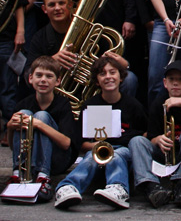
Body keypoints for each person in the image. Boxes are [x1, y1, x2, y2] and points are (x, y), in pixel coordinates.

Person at [53, 54, 147, 211]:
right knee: (90, 157)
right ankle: (67, 187)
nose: (108, 77)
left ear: (121, 77)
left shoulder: (133, 105)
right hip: (97, 153)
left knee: (117, 154)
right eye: (102, 73)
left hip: (125, 155)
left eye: (112, 72)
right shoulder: (90, 106)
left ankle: (118, 188)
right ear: (97, 81)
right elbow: (80, 142)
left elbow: (145, 134)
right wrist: (94, 146)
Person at [129, 60, 181, 209]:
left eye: (180, 79)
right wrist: (158, 139)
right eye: (171, 79)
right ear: (165, 83)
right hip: (165, 157)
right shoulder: (158, 103)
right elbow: (151, 137)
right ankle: (151, 187)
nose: (175, 83)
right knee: (136, 141)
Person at [6, 56, 78, 202]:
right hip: (30, 159)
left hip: (57, 160)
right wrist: (9, 128)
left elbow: (66, 143)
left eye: (49, 76)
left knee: (42, 116)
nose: (43, 80)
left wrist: (39, 124)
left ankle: (44, 178)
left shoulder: (63, 104)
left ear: (57, 81)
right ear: (31, 78)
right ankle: (18, 174)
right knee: (25, 114)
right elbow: (12, 147)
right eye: (39, 75)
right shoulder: (23, 103)